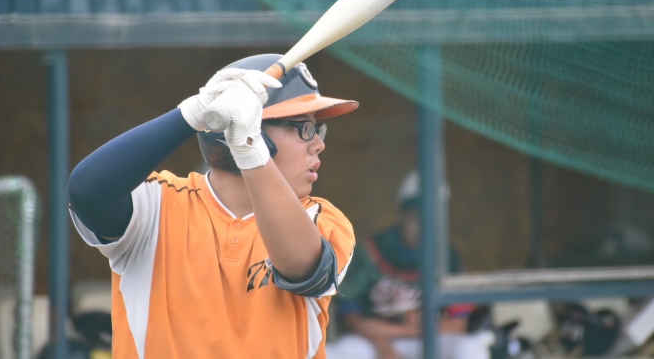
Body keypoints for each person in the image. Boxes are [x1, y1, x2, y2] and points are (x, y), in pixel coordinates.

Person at [67, 54, 358, 358]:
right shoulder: (158, 204)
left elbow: (301, 267)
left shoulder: (320, 217)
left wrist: (250, 152)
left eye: (317, 129)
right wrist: (191, 114)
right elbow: (87, 192)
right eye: (304, 128)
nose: (318, 144)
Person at [325, 170, 491, 359]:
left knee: (471, 349)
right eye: (417, 218)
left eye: (432, 218)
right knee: (331, 354)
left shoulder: (448, 256)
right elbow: (349, 315)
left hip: (427, 337)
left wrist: (402, 331)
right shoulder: (371, 249)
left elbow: (460, 322)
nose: (424, 227)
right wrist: (382, 344)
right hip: (374, 340)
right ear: (402, 215)